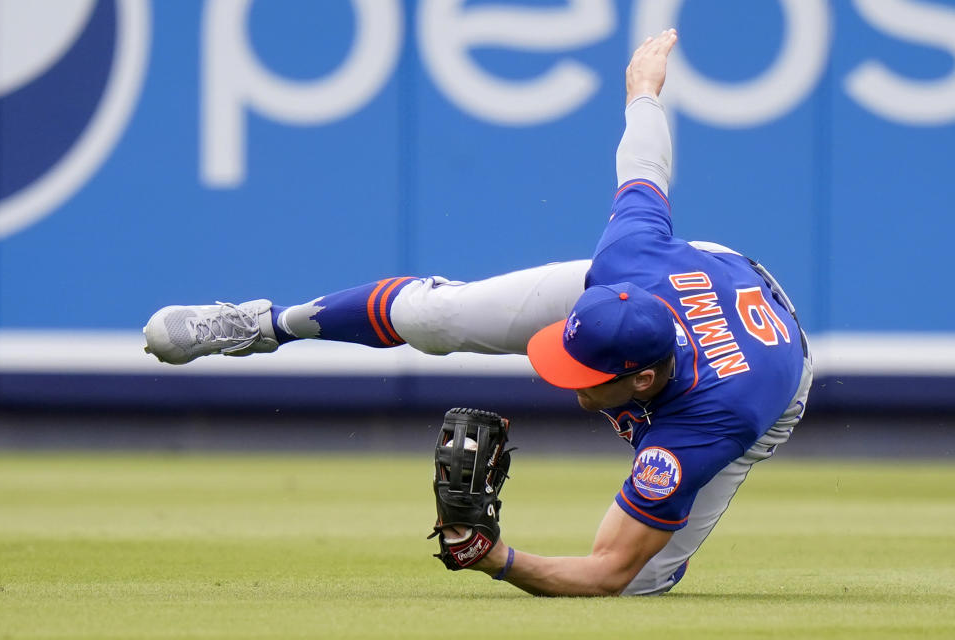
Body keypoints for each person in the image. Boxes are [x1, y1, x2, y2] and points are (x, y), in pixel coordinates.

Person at [143, 29, 812, 597]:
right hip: (688, 279)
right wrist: (643, 89)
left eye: (584, 369)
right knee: (440, 317)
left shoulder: (716, 419)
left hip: (768, 372)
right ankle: (264, 324)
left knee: (639, 584)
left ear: (639, 382)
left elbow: (607, 570)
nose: (564, 373)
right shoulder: (629, 257)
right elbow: (643, 164)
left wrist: (498, 560)